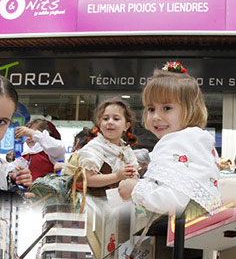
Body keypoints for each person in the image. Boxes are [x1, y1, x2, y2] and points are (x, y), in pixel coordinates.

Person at [118, 65, 222, 216]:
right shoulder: (198, 139)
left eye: (166, 108)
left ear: (190, 108)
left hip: (181, 234)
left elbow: (171, 202)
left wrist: (135, 188)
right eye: (151, 109)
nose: (156, 117)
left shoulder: (175, 141)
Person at [74, 97, 142, 202]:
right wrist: (117, 176)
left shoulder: (126, 149)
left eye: (116, 119)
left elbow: (134, 175)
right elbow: (87, 179)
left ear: (126, 126)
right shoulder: (95, 147)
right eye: (105, 119)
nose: (110, 122)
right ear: (100, 124)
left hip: (120, 203)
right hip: (95, 204)